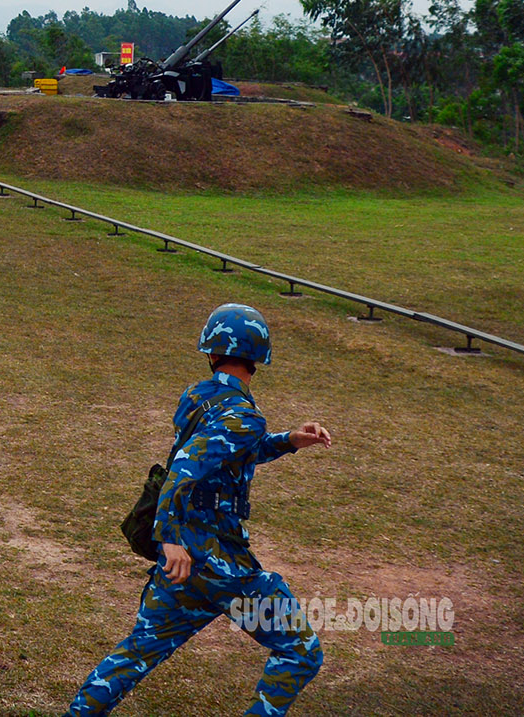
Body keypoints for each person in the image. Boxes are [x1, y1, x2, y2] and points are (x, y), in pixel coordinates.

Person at [60, 305, 329, 717]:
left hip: (183, 570)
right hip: (220, 566)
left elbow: (230, 452)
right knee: (299, 650)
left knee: (134, 656)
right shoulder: (244, 415)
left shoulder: (197, 397)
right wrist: (166, 538)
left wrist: (290, 440)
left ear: (212, 352)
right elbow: (184, 469)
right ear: (258, 356)